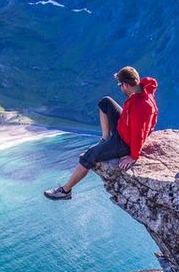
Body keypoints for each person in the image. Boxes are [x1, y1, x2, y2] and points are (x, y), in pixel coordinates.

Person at [44, 67, 158, 200]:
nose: (120, 88)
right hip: (124, 128)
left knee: (89, 155)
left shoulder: (141, 105)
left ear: (126, 85)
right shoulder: (142, 90)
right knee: (105, 102)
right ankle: (105, 138)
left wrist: (133, 156)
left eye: (120, 85)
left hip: (125, 141)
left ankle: (65, 191)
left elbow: (139, 133)